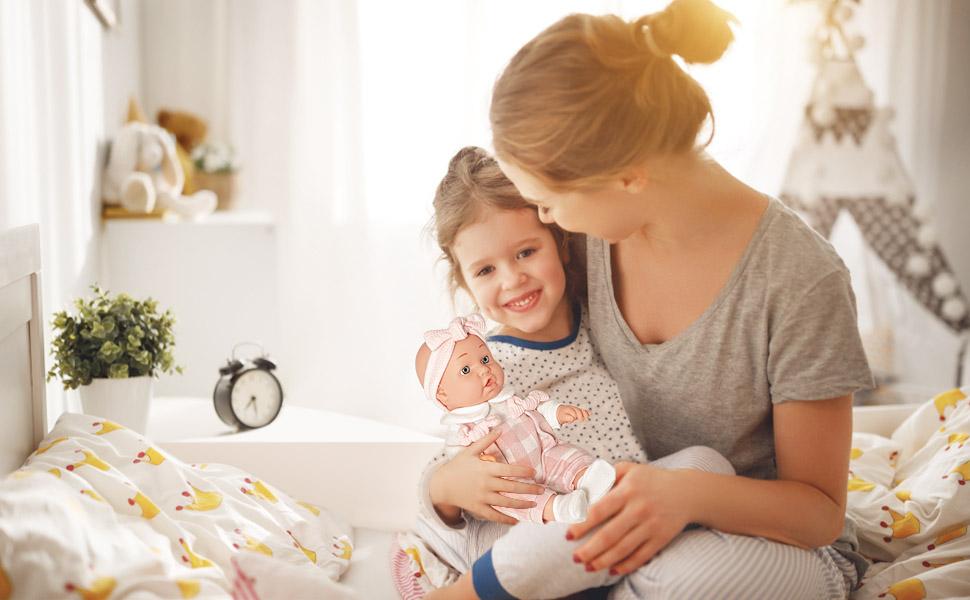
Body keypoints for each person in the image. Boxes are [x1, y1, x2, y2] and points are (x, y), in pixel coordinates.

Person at [473, 0, 875, 598]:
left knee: (678, 581)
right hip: (616, 501)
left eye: (549, 201)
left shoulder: (799, 280)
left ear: (629, 174)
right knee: (528, 531)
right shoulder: (586, 239)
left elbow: (817, 514)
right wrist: (452, 481)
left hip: (763, 541)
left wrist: (684, 495)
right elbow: (508, 369)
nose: (544, 218)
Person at [393, 146, 733, 600]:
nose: (512, 279)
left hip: (615, 511)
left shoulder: (601, 319)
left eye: (526, 252)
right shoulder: (488, 369)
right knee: (578, 519)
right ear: (465, 281)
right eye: (486, 270)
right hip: (534, 532)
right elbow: (450, 457)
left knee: (706, 466)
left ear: (560, 243)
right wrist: (446, 487)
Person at [415, 313, 616, 525]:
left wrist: (556, 412)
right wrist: (474, 468)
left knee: (565, 454)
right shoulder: (463, 432)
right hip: (510, 478)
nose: (483, 369)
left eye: (485, 359)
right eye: (465, 370)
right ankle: (557, 507)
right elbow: (458, 467)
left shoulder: (509, 400)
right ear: (443, 395)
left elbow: (534, 408)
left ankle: (586, 478)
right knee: (511, 496)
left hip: (544, 454)